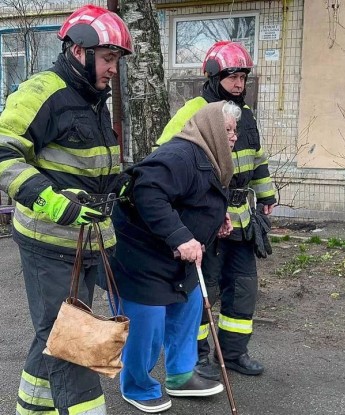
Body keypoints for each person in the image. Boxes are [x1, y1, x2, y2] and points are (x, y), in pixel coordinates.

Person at [0, 5, 133, 414]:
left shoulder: (92, 99)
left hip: (84, 242)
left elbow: (90, 166)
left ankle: (31, 409)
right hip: (51, 239)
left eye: (116, 61)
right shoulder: (44, 92)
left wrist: (122, 185)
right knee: (72, 340)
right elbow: (4, 152)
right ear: (80, 51)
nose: (114, 69)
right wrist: (54, 202)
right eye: (108, 59)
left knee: (53, 337)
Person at [109, 100, 241, 414]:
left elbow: (194, 198)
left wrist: (216, 220)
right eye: (227, 130)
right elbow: (147, 191)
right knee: (147, 323)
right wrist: (181, 236)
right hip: (142, 256)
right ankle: (137, 386)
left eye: (235, 131)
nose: (234, 137)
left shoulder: (207, 156)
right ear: (210, 130)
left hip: (176, 258)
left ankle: (181, 376)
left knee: (188, 308)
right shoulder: (179, 155)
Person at [155, 41, 277, 380]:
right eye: (231, 77)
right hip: (205, 217)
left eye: (242, 77)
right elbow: (166, 153)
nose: (238, 84)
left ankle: (235, 352)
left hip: (241, 217)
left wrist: (267, 196)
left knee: (242, 286)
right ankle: (195, 359)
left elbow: (259, 159)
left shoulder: (246, 115)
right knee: (201, 289)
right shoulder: (196, 108)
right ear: (213, 77)